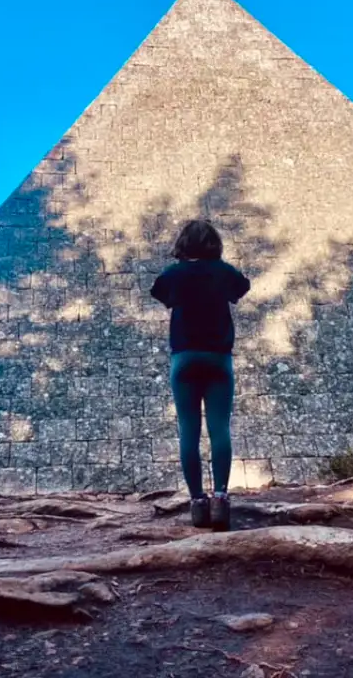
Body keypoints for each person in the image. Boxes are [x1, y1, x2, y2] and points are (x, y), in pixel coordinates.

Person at [150, 219, 251, 531]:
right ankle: (221, 496)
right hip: (219, 358)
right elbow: (242, 287)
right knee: (220, 427)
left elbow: (161, 294)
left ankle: (197, 502)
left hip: (184, 358)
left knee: (189, 430)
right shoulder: (224, 272)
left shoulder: (173, 275)